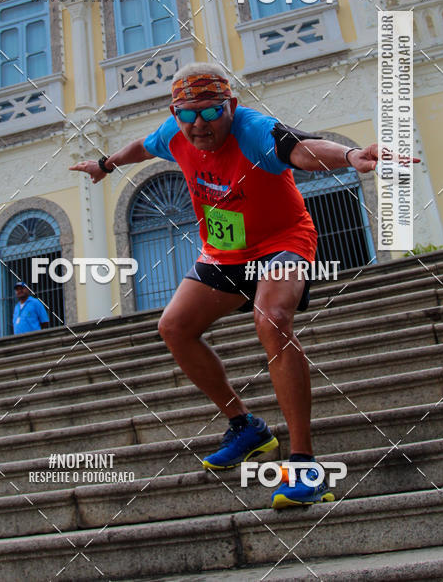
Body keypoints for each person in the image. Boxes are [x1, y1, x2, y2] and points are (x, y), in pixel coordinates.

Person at [70, 62, 416, 508]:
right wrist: (106, 164)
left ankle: (303, 464)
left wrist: (350, 156)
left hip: (282, 241)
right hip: (225, 250)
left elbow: (302, 148)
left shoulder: (253, 130)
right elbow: (142, 146)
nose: (199, 124)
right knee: (174, 327)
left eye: (211, 112)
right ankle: (245, 426)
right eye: (187, 114)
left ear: (231, 106)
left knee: (272, 319)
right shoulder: (174, 133)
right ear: (175, 114)